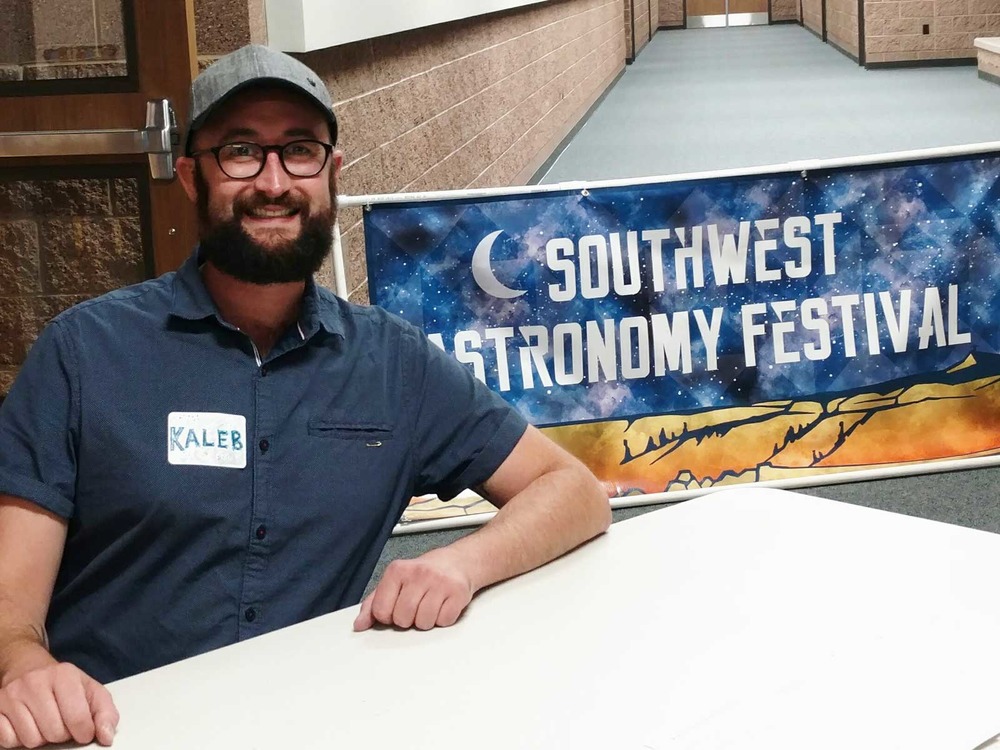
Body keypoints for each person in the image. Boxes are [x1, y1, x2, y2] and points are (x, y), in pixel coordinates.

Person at [0, 45, 611, 748]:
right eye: (239, 152)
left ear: (331, 174)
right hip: (107, 728)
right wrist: (24, 666)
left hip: (307, 723)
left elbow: (573, 492)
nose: (273, 182)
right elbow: (12, 607)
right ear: (192, 177)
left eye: (299, 151)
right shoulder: (85, 352)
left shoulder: (394, 365)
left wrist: (459, 562)